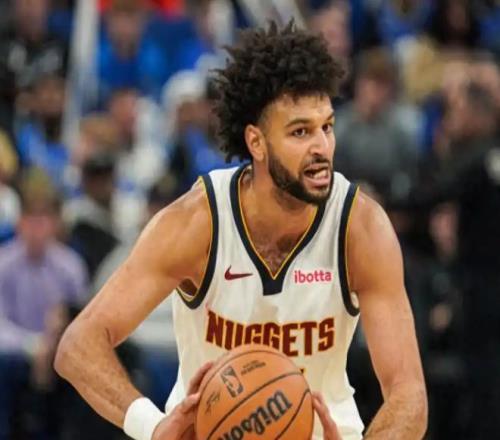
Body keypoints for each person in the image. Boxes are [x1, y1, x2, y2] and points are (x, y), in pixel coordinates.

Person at [54, 22, 427, 440]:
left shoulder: (360, 227)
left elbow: (408, 391)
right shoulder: (199, 222)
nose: (322, 147)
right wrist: (153, 426)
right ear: (257, 142)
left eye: (327, 126)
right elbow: (79, 344)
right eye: (300, 131)